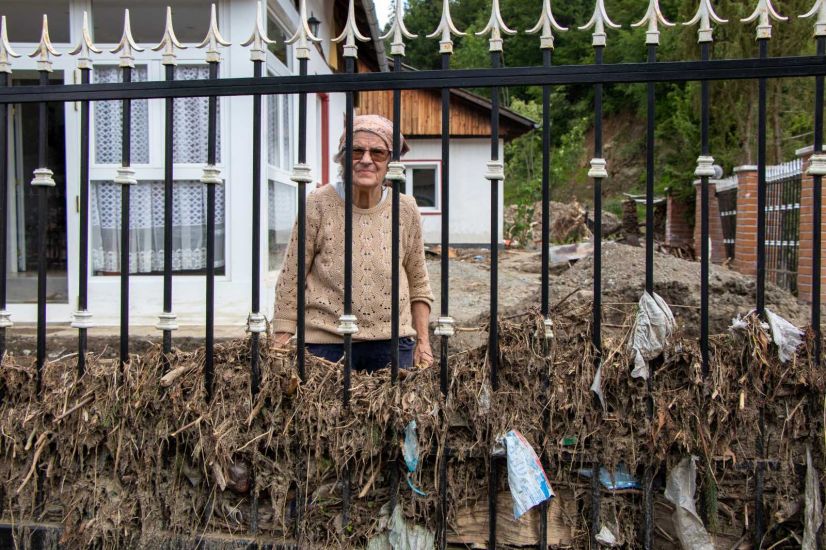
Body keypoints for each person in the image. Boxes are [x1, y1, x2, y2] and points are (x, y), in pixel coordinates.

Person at [272, 114, 434, 372]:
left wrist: (423, 341)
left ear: (389, 161)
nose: (366, 160)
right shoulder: (318, 203)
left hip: (393, 343)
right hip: (326, 343)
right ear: (343, 158)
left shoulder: (405, 208)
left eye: (378, 153)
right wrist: (281, 336)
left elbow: (418, 282)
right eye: (357, 151)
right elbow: (292, 276)